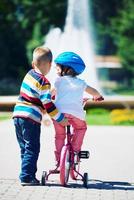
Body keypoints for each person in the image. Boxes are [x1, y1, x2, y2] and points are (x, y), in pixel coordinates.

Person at [13, 46, 68, 186]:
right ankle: (26, 177)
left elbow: (34, 97)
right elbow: (48, 104)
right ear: (50, 64)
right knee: (32, 148)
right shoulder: (44, 82)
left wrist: (48, 96)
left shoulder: (29, 74)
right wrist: (60, 119)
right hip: (30, 118)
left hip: (18, 115)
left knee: (25, 148)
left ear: (33, 64)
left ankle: (28, 174)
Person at [52, 51, 104, 166]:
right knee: (81, 129)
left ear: (65, 69)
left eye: (57, 66)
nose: (56, 69)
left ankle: (59, 160)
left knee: (60, 136)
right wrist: (98, 96)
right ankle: (75, 153)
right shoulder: (81, 83)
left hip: (59, 114)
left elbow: (51, 93)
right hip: (75, 114)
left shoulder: (58, 81)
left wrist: (52, 97)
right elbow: (94, 92)